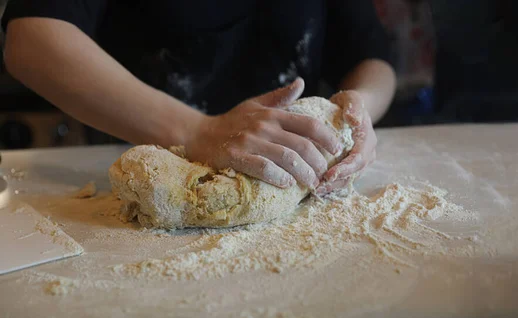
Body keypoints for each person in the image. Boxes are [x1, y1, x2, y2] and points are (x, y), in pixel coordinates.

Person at [1, 0, 397, 195]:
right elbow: (31, 38)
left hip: (287, 172)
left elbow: (374, 59)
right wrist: (197, 130)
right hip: (141, 176)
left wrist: (356, 109)